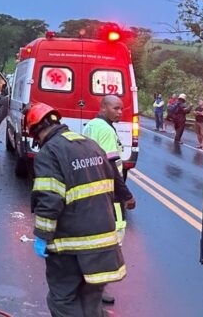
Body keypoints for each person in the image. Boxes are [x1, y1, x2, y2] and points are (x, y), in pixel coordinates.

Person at [28, 102, 127, 317]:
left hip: (70, 248)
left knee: (62, 300)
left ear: (37, 131)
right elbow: (114, 180)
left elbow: (49, 199)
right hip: (104, 245)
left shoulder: (49, 152)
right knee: (90, 302)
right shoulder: (90, 145)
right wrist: (127, 197)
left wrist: (42, 237)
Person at [82, 95, 136, 306]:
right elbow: (112, 167)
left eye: (121, 109)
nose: (119, 112)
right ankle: (95, 290)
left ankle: (89, 286)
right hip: (109, 194)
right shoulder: (105, 130)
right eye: (115, 108)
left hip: (95, 190)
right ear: (103, 107)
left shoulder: (92, 126)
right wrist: (126, 195)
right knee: (111, 242)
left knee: (96, 241)